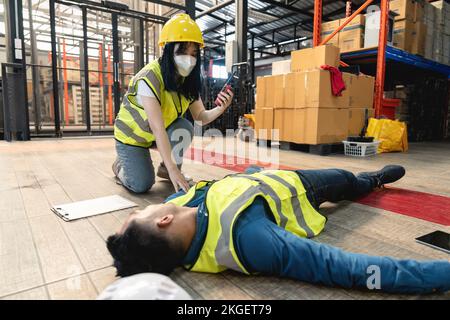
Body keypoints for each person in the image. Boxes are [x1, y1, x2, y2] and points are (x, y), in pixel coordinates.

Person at [106, 165, 450, 294]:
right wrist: (438, 273)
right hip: (303, 187)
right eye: (143, 211)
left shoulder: (183, 206)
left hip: (260, 176)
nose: (147, 205)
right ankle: (372, 180)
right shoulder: (247, 239)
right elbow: (346, 268)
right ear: (162, 220)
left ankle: (367, 179)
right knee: (347, 181)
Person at [112, 13, 234, 194]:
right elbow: (157, 126)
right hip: (132, 137)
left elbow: (200, 117)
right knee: (141, 184)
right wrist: (175, 169)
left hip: (153, 136)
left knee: (184, 126)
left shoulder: (187, 81)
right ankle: (119, 166)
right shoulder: (150, 77)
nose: (189, 59)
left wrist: (220, 108)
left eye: (194, 53)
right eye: (183, 51)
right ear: (168, 50)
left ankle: (164, 169)